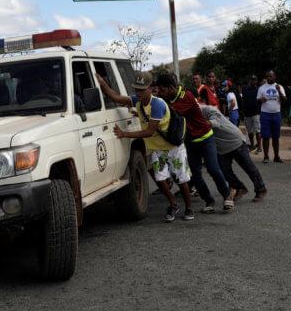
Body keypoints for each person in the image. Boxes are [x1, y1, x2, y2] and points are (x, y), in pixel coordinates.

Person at [96, 74, 194, 222]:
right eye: (136, 90)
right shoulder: (138, 101)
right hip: (157, 149)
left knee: (181, 178)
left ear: (151, 89)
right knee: (160, 178)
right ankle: (173, 203)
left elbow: (149, 131)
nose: (139, 93)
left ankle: (189, 208)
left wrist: (124, 134)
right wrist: (102, 83)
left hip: (174, 147)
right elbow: (116, 97)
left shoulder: (158, 105)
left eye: (142, 90)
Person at [154, 74, 234, 212]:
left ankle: (227, 196)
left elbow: (172, 112)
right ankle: (209, 201)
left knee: (213, 169)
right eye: (159, 91)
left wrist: (157, 105)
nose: (160, 93)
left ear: (171, 88)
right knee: (195, 175)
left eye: (162, 90)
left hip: (205, 137)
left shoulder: (186, 96)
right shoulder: (168, 99)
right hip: (190, 142)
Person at [200, 105, 267, 202]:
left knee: (249, 167)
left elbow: (216, 121)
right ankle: (239, 188)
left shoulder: (208, 109)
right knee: (223, 171)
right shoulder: (190, 117)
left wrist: (201, 123)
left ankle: (261, 189)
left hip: (235, 141)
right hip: (221, 147)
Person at [257, 70, 286, 163]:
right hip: (265, 114)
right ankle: (266, 156)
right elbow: (257, 100)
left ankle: (276, 156)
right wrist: (261, 99)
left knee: (276, 137)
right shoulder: (262, 88)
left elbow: (285, 99)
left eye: (271, 76)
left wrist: (279, 91)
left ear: (275, 77)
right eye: (268, 76)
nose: (269, 78)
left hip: (276, 114)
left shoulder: (279, 86)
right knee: (265, 136)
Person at [240, 75, 262, 152]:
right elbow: (243, 100)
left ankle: (259, 147)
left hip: (256, 113)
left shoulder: (259, 89)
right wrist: (242, 111)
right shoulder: (245, 89)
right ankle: (252, 145)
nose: (253, 81)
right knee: (250, 132)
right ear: (250, 80)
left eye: (254, 80)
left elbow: (260, 101)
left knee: (257, 131)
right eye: (252, 79)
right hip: (247, 113)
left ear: (256, 81)